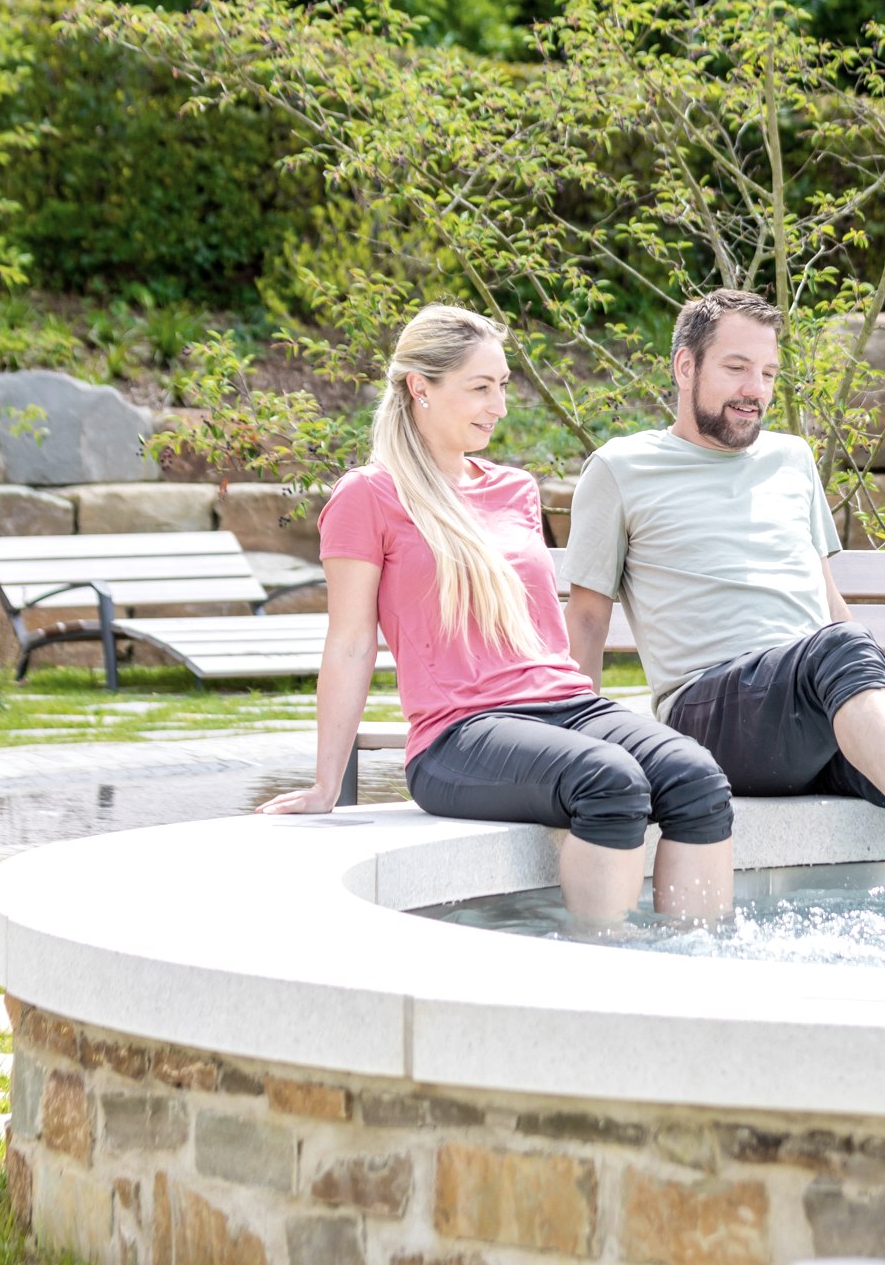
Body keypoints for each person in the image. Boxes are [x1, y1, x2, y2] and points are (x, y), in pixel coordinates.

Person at [260, 304, 734, 926]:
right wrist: (326, 785)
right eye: (481, 387)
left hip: (565, 706)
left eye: (503, 385)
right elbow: (350, 643)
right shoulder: (368, 495)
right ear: (420, 388)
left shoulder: (515, 489)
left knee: (698, 779)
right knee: (610, 783)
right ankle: (606, 959)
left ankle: (697, 957)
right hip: (458, 734)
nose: (499, 406)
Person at [560, 289, 885, 890]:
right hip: (712, 711)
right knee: (839, 652)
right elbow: (587, 619)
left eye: (768, 373)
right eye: (736, 368)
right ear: (685, 366)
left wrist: (876, 708)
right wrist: (578, 753)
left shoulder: (792, 459)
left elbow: (827, 601)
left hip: (818, 700)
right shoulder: (621, 468)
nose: (756, 389)